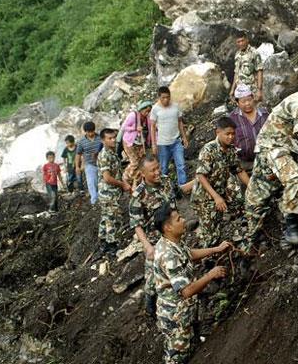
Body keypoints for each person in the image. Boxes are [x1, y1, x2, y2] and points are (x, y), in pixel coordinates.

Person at [238, 68, 298, 251]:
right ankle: (284, 231)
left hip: (287, 149)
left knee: (261, 195)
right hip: (271, 148)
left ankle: (289, 229)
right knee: (290, 180)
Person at [152, 204, 230, 364]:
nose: (184, 220)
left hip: (184, 311)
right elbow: (186, 291)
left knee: (191, 346)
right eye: (179, 219)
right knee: (177, 358)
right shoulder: (167, 254)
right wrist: (210, 275)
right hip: (175, 317)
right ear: (168, 227)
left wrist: (216, 249)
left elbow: (189, 255)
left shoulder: (171, 242)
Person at [191, 117, 250, 247]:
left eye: (233, 134)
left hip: (222, 190)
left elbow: (239, 170)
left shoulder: (231, 149)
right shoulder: (208, 150)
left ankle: (241, 240)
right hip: (205, 197)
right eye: (227, 134)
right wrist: (216, 197)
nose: (231, 137)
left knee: (239, 207)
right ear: (218, 132)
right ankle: (210, 260)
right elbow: (201, 175)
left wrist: (252, 187)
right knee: (211, 232)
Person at [129, 156, 177, 316]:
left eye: (158, 168)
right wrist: (148, 246)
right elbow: (136, 225)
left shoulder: (166, 181)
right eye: (153, 170)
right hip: (154, 242)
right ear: (143, 173)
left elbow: (173, 206)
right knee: (152, 278)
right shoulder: (138, 195)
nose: (158, 172)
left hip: (171, 235)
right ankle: (150, 304)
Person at [150, 87, 192, 194]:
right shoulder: (155, 109)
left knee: (181, 165)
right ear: (159, 97)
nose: (166, 100)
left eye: (168, 97)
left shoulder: (175, 106)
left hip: (176, 141)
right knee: (163, 167)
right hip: (162, 143)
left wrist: (184, 138)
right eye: (163, 98)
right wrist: (154, 145)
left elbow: (180, 123)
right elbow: (152, 127)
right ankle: (164, 190)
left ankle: (183, 187)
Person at [97, 128, 131, 256]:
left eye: (113, 138)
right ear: (103, 140)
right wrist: (123, 184)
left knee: (106, 217)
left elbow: (116, 172)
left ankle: (104, 243)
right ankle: (112, 245)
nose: (113, 140)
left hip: (110, 192)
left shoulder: (112, 153)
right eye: (109, 138)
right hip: (108, 193)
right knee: (113, 218)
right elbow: (107, 177)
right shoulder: (105, 155)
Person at [228, 84, 269, 171]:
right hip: (243, 164)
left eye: (249, 100)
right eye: (243, 101)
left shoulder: (264, 114)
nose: (247, 103)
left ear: (253, 98)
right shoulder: (232, 118)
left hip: (266, 160)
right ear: (237, 103)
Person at [121, 100, 152, 187]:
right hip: (129, 142)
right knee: (134, 162)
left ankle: (137, 181)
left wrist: (149, 142)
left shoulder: (146, 118)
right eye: (146, 111)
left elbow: (148, 130)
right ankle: (126, 177)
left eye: (149, 111)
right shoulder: (133, 115)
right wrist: (135, 128)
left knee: (141, 161)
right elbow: (124, 127)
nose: (147, 113)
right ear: (141, 109)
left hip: (139, 143)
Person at [230, 30, 263, 103]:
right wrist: (232, 90)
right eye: (238, 42)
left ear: (247, 40)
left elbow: (259, 71)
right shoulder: (237, 55)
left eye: (242, 41)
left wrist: (259, 90)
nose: (241, 43)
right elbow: (236, 73)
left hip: (251, 91)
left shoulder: (254, 53)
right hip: (240, 91)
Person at [76, 121, 103, 205]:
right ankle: (94, 201)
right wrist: (77, 166)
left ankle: (102, 199)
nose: (91, 133)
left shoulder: (100, 138)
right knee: (91, 183)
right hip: (89, 164)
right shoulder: (81, 142)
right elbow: (78, 154)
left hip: (102, 163)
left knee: (101, 182)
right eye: (88, 132)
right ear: (85, 131)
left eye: (92, 131)